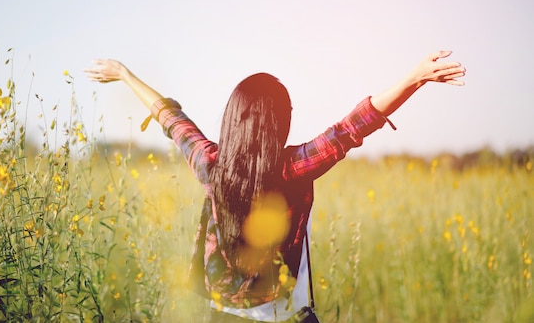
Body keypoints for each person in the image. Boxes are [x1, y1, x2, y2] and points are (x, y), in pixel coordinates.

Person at [84, 51, 465, 322]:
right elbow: (352, 127)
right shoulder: (291, 169)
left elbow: (173, 120)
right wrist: (415, 78)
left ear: (233, 119)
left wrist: (124, 74)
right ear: (278, 123)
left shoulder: (210, 165)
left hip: (221, 313)